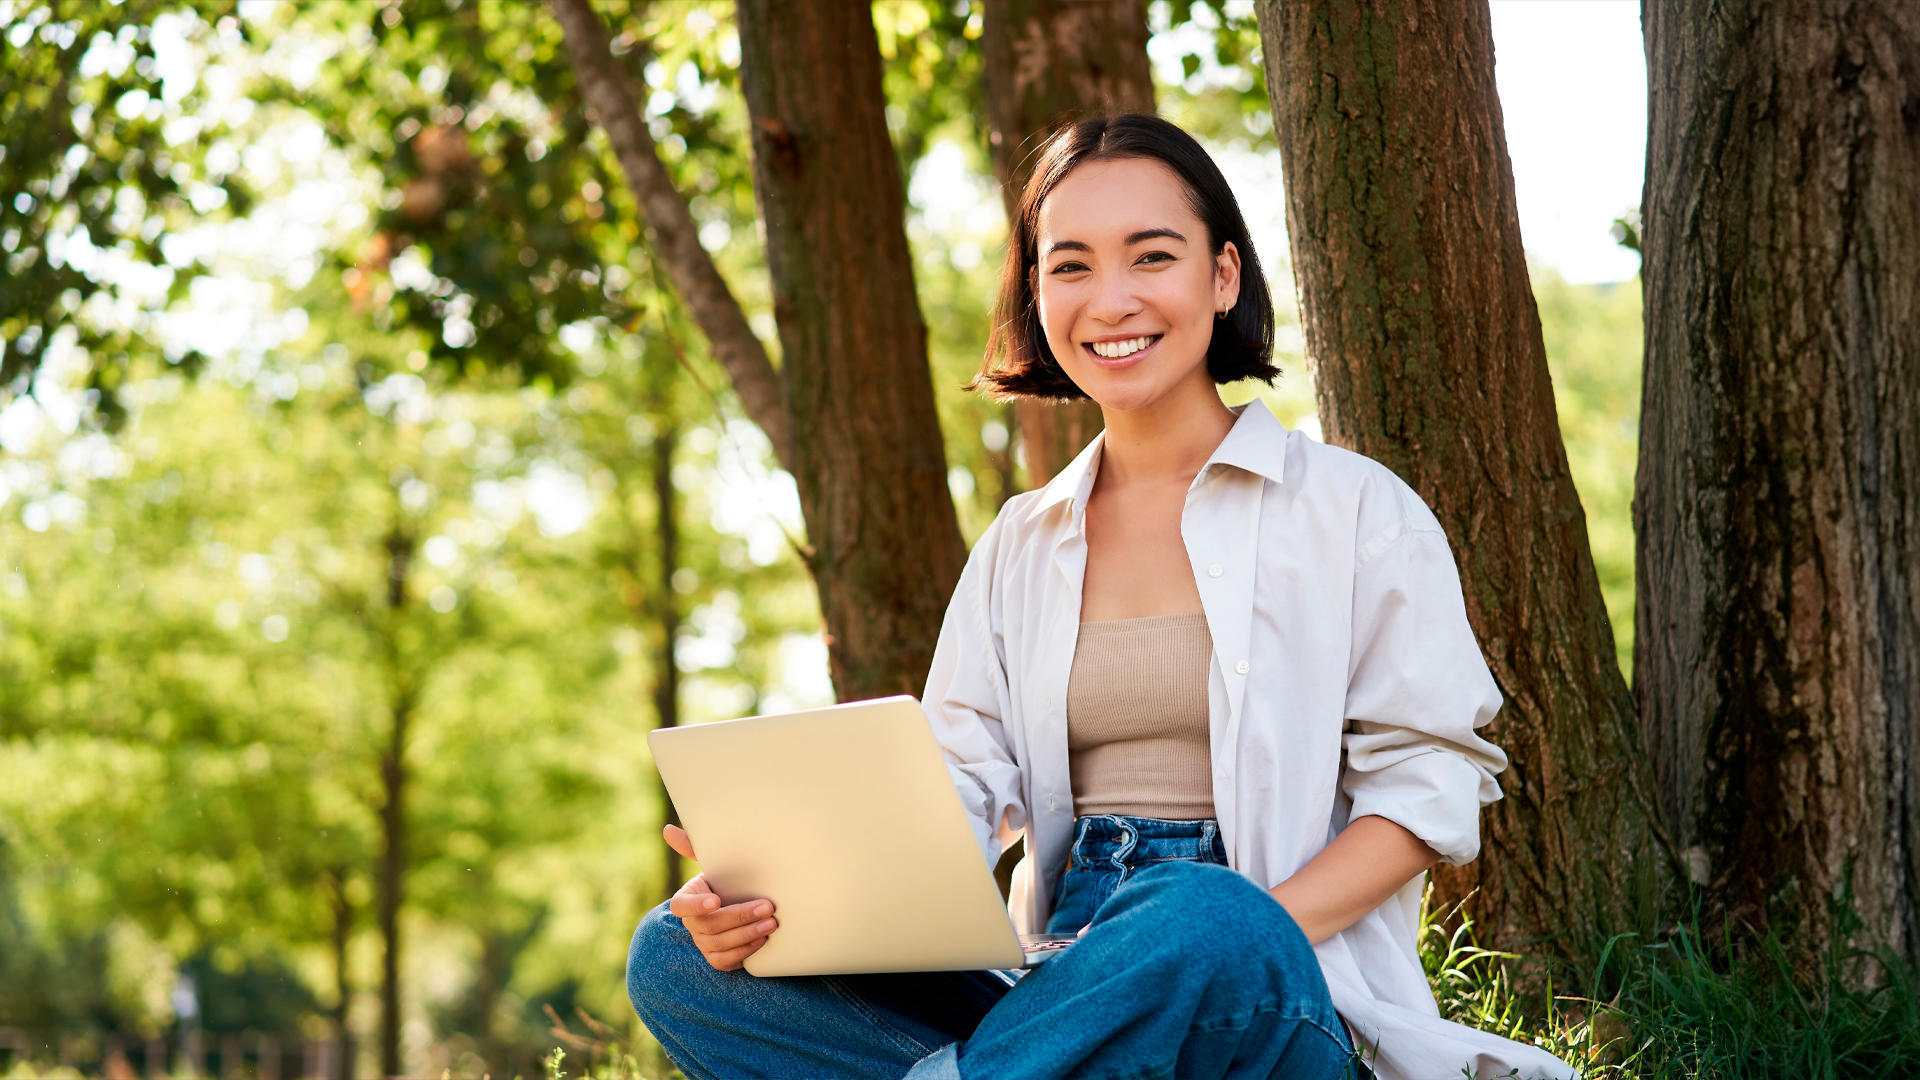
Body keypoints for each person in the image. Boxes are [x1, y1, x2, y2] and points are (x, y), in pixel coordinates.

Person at [625, 114, 1576, 1080]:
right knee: (676, 956)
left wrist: (1244, 936)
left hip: (1267, 983)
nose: (1110, 300)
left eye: (1151, 256)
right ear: (1036, 294)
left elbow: (1427, 789)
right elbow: (952, 781)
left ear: (1222, 278)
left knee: (1197, 909)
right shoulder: (1020, 544)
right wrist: (787, 881)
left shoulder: (1355, 509)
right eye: (1070, 266)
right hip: (1050, 988)